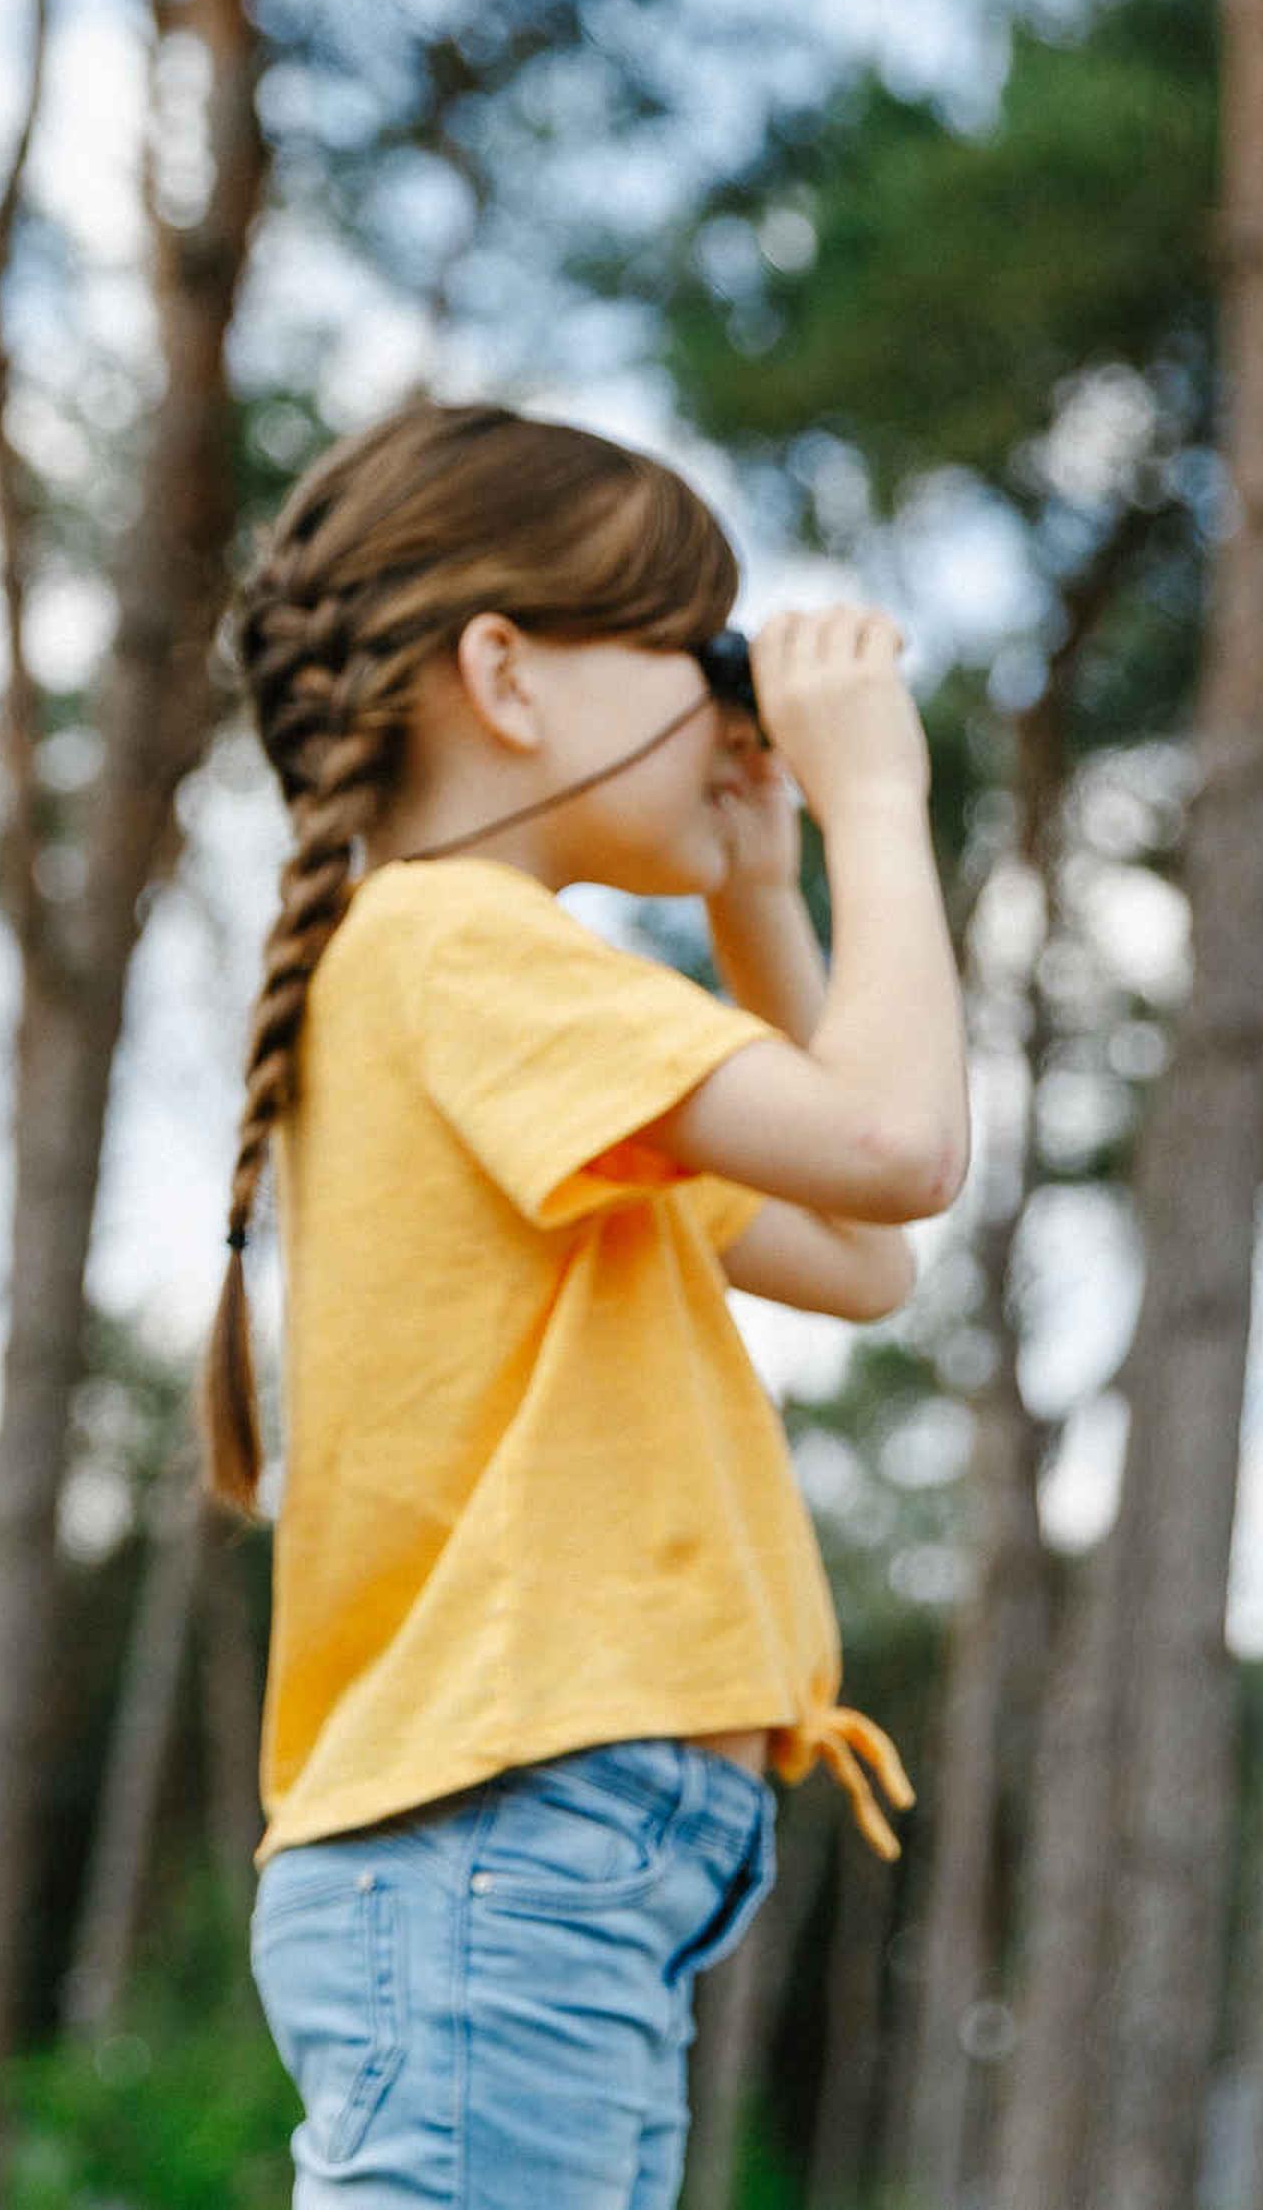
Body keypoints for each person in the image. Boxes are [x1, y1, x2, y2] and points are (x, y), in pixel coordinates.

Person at [202, 401, 970, 2207]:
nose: (730, 704)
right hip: (503, 1838)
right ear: (508, 675)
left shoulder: (485, 992)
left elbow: (862, 1255)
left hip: (549, 1847)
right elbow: (893, 1142)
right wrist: (879, 799)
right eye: (695, 649)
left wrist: (766, 886)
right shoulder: (462, 946)